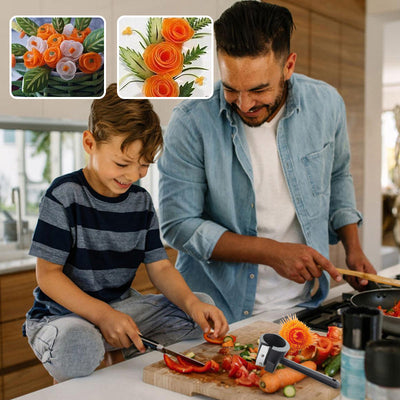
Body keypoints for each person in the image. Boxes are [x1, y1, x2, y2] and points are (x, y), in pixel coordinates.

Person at [158, 0, 376, 324]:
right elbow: (177, 226)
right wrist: (272, 252)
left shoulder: (327, 104)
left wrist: (353, 246)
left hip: (305, 306)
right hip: (214, 312)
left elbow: (337, 174)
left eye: (259, 89)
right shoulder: (190, 122)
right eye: (232, 89)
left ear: (288, 66)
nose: (244, 104)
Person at [23, 83, 228, 383]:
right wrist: (102, 316)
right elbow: (48, 275)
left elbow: (159, 267)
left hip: (120, 308)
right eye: (122, 163)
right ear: (90, 143)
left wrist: (192, 304)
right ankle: (104, 350)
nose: (133, 176)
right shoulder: (64, 195)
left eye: (144, 165)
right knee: (78, 344)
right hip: (62, 316)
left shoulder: (140, 201)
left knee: (197, 310)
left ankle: (112, 350)